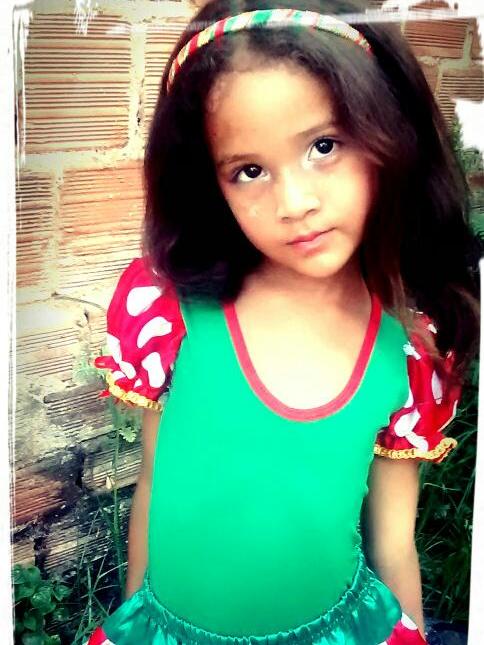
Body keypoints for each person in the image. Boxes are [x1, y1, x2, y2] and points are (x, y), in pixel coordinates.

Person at [85, 0, 480, 643]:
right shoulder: (171, 306)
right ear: (209, 182)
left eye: (324, 146)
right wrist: (136, 619)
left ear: (390, 135)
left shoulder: (408, 348)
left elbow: (394, 542)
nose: (294, 203)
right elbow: (152, 483)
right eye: (249, 171)